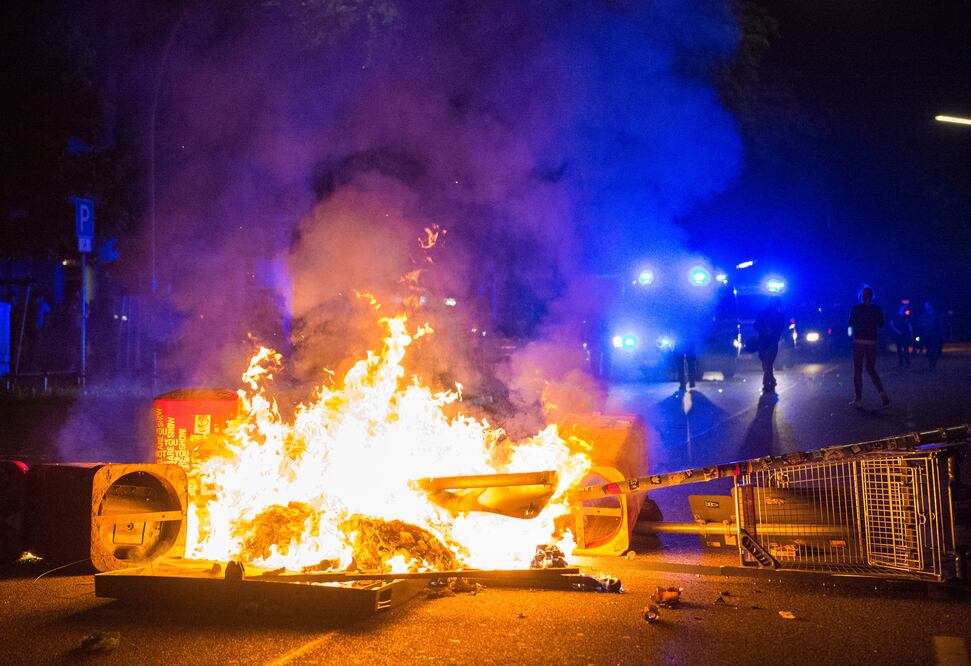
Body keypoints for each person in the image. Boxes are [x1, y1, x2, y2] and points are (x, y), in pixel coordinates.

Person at [849, 285, 889, 408]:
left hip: (859, 340)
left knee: (858, 370)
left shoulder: (856, 308)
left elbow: (850, 323)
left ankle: (858, 400)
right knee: (871, 369)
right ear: (872, 297)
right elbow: (881, 324)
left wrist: (851, 335)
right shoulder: (876, 309)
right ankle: (882, 393)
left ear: (861, 296)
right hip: (871, 341)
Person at [754, 297, 786, 393]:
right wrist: (764, 329)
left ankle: (767, 383)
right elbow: (756, 325)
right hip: (763, 340)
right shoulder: (763, 314)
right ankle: (771, 380)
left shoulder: (780, 315)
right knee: (765, 362)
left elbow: (783, 326)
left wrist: (774, 331)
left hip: (772, 341)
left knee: (769, 362)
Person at [919, 301, 944, 370]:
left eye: (927, 305)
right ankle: (931, 363)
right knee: (928, 350)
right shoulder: (923, 315)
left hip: (935, 336)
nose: (926, 307)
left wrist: (941, 335)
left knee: (934, 350)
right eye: (925, 305)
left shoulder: (936, 315)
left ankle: (933, 364)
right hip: (927, 336)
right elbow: (920, 325)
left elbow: (940, 325)